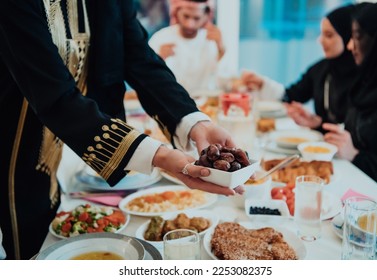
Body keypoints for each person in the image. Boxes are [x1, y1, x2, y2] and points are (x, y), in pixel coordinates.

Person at [0, 0, 241, 259]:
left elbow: (140, 58)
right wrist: (158, 155)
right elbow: (53, 95)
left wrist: (194, 121)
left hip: (54, 153)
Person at [239, 4, 362, 131]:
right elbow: (291, 96)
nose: (320, 40)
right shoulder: (320, 69)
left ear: (349, 37)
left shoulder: (365, 78)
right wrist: (262, 84)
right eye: (321, 34)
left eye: (329, 35)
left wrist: (318, 124)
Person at [323, 1, 377, 191]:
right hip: (354, 192)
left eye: (358, 36)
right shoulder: (367, 85)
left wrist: (357, 156)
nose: (350, 45)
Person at [148, 0, 231, 96]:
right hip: (170, 103)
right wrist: (159, 59)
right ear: (176, 12)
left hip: (205, 105)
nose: (190, 24)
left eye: (196, 18)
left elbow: (225, 82)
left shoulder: (214, 39)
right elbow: (146, 79)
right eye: (186, 16)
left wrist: (221, 50)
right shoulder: (160, 38)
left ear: (206, 16)